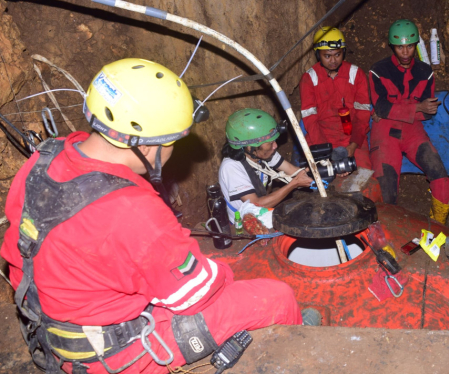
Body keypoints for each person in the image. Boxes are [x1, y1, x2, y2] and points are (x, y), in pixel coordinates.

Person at [1, 59, 304, 374]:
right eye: (173, 141)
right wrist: (222, 274)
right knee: (275, 297)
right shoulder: (134, 210)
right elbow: (196, 293)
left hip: (50, 324)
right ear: (149, 147)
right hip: (114, 352)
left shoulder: (44, 158)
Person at [368, 19, 449, 224]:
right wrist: (416, 108)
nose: (405, 52)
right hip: (385, 132)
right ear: (392, 47)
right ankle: (390, 234)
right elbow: (380, 108)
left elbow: (428, 112)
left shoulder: (425, 72)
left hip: (412, 130)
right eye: (399, 47)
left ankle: (437, 226)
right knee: (386, 191)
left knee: (440, 177)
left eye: (409, 46)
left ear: (415, 45)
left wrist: (396, 111)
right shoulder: (377, 71)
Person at [220, 108, 313, 221]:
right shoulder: (231, 167)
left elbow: (293, 170)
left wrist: (318, 175)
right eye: (270, 143)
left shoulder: (262, 154)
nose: (275, 146)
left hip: (264, 215)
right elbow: (256, 204)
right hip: (244, 225)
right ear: (250, 146)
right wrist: (294, 184)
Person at [299, 27, 372, 170]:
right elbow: (310, 119)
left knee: (364, 178)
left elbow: (363, 115)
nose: (333, 60)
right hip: (320, 135)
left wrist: (353, 144)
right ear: (318, 54)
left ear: (343, 52)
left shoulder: (356, 74)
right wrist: (325, 149)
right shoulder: (309, 79)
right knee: (321, 179)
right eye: (327, 56)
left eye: (337, 54)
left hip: (352, 136)